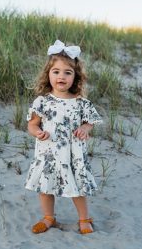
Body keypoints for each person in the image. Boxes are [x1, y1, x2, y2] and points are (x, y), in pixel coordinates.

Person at [25, 40, 103, 234]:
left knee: (77, 187)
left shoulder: (81, 102)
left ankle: (84, 219)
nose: (61, 76)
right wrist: (38, 132)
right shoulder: (42, 101)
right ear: (48, 74)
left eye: (68, 72)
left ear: (75, 77)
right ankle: (48, 218)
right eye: (56, 72)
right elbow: (32, 124)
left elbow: (90, 121)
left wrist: (85, 128)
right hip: (49, 152)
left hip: (72, 154)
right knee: (46, 187)